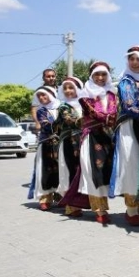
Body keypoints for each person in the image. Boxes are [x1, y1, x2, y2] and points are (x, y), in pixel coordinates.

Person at [111, 45, 139, 226]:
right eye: (131, 59)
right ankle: (131, 210)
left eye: (138, 59)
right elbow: (129, 104)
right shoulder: (125, 81)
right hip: (130, 127)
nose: (134, 63)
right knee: (131, 165)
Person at [78, 62, 118, 224]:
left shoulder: (111, 94)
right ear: (91, 76)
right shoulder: (85, 94)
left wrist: (111, 118)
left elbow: (114, 111)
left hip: (107, 137)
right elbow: (93, 112)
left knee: (105, 172)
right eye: (97, 75)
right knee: (94, 172)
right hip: (92, 137)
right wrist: (108, 118)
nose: (100, 78)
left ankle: (103, 207)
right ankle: (99, 209)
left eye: (104, 75)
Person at [55, 77, 88, 217]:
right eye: (65, 88)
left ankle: (82, 202)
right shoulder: (63, 106)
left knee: (83, 171)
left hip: (84, 141)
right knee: (70, 171)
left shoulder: (84, 104)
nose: (68, 91)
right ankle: (71, 205)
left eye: (71, 87)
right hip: (69, 142)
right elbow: (70, 120)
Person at [27, 85, 61, 210]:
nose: (41, 98)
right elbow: (47, 126)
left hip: (60, 144)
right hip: (46, 144)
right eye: (39, 96)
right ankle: (45, 198)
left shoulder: (61, 108)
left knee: (60, 171)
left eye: (44, 95)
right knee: (45, 171)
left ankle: (60, 196)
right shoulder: (41, 111)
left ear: (51, 95)